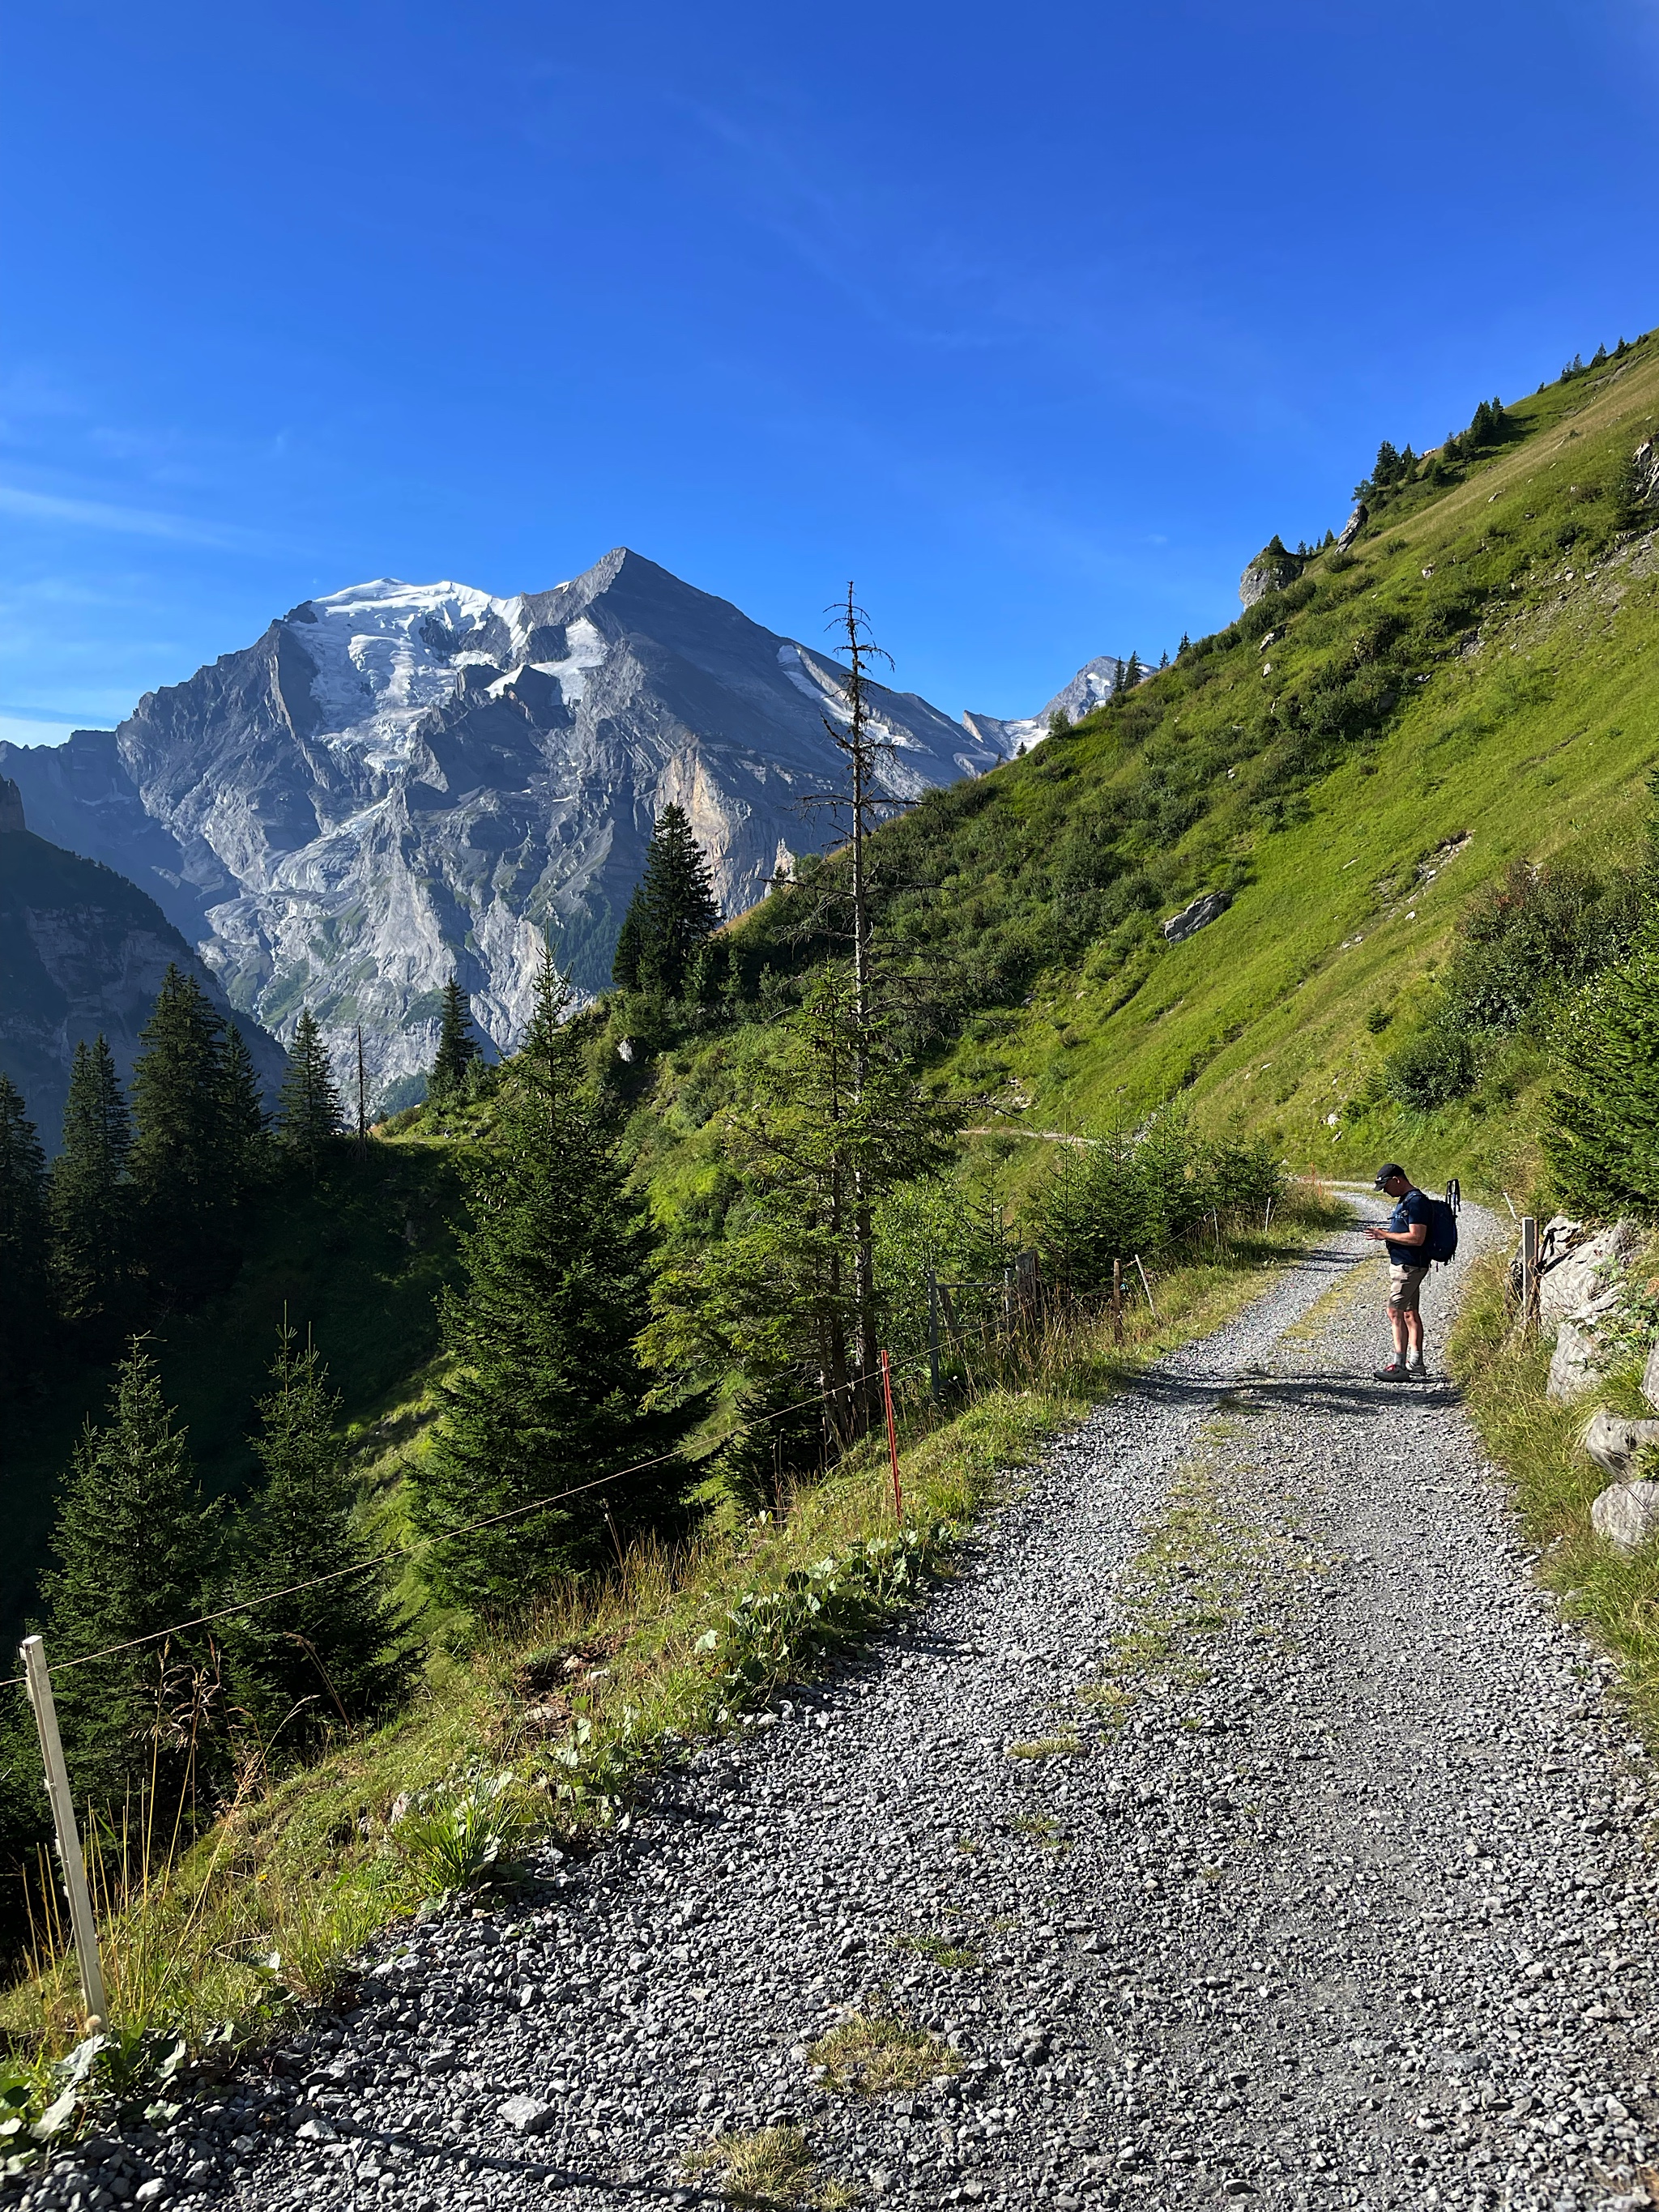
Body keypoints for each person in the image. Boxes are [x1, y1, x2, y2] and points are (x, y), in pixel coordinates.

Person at [1366, 1162, 1431, 1380]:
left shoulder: (1416, 1203)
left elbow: (1417, 1237)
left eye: (1386, 1186)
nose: (1385, 1191)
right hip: (1407, 1265)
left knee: (1394, 1311)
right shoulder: (1408, 1201)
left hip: (1409, 1267)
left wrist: (1385, 1235)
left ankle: (1399, 1365)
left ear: (1397, 1180)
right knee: (1408, 1313)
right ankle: (1416, 1362)